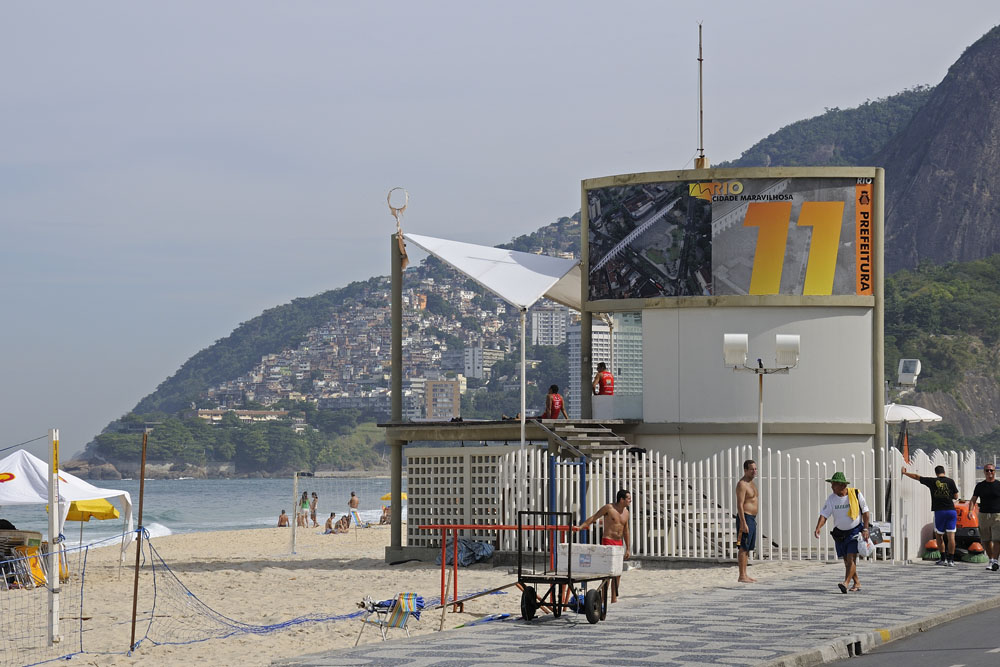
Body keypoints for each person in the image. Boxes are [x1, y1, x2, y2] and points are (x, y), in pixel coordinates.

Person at [814, 472, 871, 593]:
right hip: (840, 533)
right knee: (846, 561)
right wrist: (818, 527)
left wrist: (865, 528)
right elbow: (824, 515)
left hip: (854, 531)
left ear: (841, 485)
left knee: (851, 559)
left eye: (833, 484)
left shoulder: (855, 494)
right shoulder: (831, 499)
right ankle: (857, 582)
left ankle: (845, 583)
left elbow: (866, 512)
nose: (831, 487)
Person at [578, 489, 631, 603]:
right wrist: (582, 526)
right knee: (607, 572)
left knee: (617, 573)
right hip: (608, 540)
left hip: (619, 542)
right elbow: (594, 517)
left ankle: (613, 598)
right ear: (621, 499)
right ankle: (602, 598)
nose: (630, 500)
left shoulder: (626, 512)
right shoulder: (609, 508)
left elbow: (626, 530)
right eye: (628, 498)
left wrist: (628, 548)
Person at [902, 465, 959, 566]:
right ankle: (951, 560)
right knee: (951, 537)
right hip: (951, 510)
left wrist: (905, 473)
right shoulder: (951, 481)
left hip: (939, 511)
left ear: (936, 473)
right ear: (944, 472)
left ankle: (943, 559)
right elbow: (956, 496)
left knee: (939, 536)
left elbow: (916, 476)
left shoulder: (932, 481)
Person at [969, 463, 1000, 571]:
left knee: (997, 539)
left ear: (994, 472)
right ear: (984, 472)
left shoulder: (998, 485)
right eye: (987, 470)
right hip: (983, 515)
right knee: (986, 540)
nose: (989, 472)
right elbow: (973, 500)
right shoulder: (980, 486)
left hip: (997, 515)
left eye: (991, 470)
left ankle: (995, 561)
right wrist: (970, 511)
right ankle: (991, 560)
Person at [735, 459, 758, 583]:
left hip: (752, 519)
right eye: (751, 469)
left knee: (748, 547)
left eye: (755, 469)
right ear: (745, 470)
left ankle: (745, 574)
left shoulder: (752, 483)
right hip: (745, 517)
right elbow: (739, 505)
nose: (754, 471)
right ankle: (741, 575)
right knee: (743, 547)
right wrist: (743, 523)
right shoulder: (742, 484)